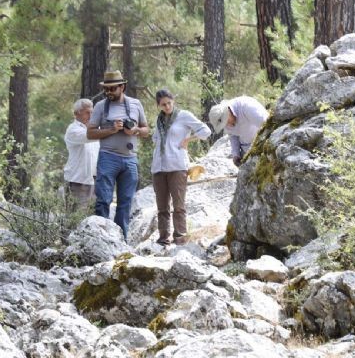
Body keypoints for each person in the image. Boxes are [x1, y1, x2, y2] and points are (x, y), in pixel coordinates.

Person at [87, 70, 149, 240]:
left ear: (122, 87)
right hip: (108, 157)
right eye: (106, 89)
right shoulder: (100, 106)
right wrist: (111, 129)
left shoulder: (136, 104)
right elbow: (90, 133)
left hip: (130, 159)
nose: (108, 92)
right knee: (103, 199)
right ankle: (100, 238)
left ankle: (121, 239)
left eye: (112, 89)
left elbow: (146, 130)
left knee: (125, 202)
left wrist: (134, 130)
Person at [151, 89, 211, 246]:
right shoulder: (159, 120)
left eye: (169, 103)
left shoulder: (183, 115)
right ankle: (163, 239)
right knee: (162, 207)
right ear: (159, 106)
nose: (167, 106)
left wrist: (189, 139)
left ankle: (180, 239)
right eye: (163, 104)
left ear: (173, 101)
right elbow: (155, 139)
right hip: (158, 167)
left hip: (177, 166)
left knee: (178, 205)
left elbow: (206, 131)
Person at [208, 96, 268, 166]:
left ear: (228, 111)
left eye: (226, 122)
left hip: (263, 143)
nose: (228, 126)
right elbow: (233, 135)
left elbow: (266, 125)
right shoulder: (227, 122)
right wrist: (236, 154)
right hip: (247, 150)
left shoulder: (247, 107)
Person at [63, 98, 100, 211]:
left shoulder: (96, 130)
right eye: (87, 112)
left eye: (92, 112)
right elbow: (89, 136)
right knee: (76, 217)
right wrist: (111, 131)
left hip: (94, 180)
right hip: (78, 181)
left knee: (93, 217)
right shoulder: (73, 129)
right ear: (76, 114)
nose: (90, 115)